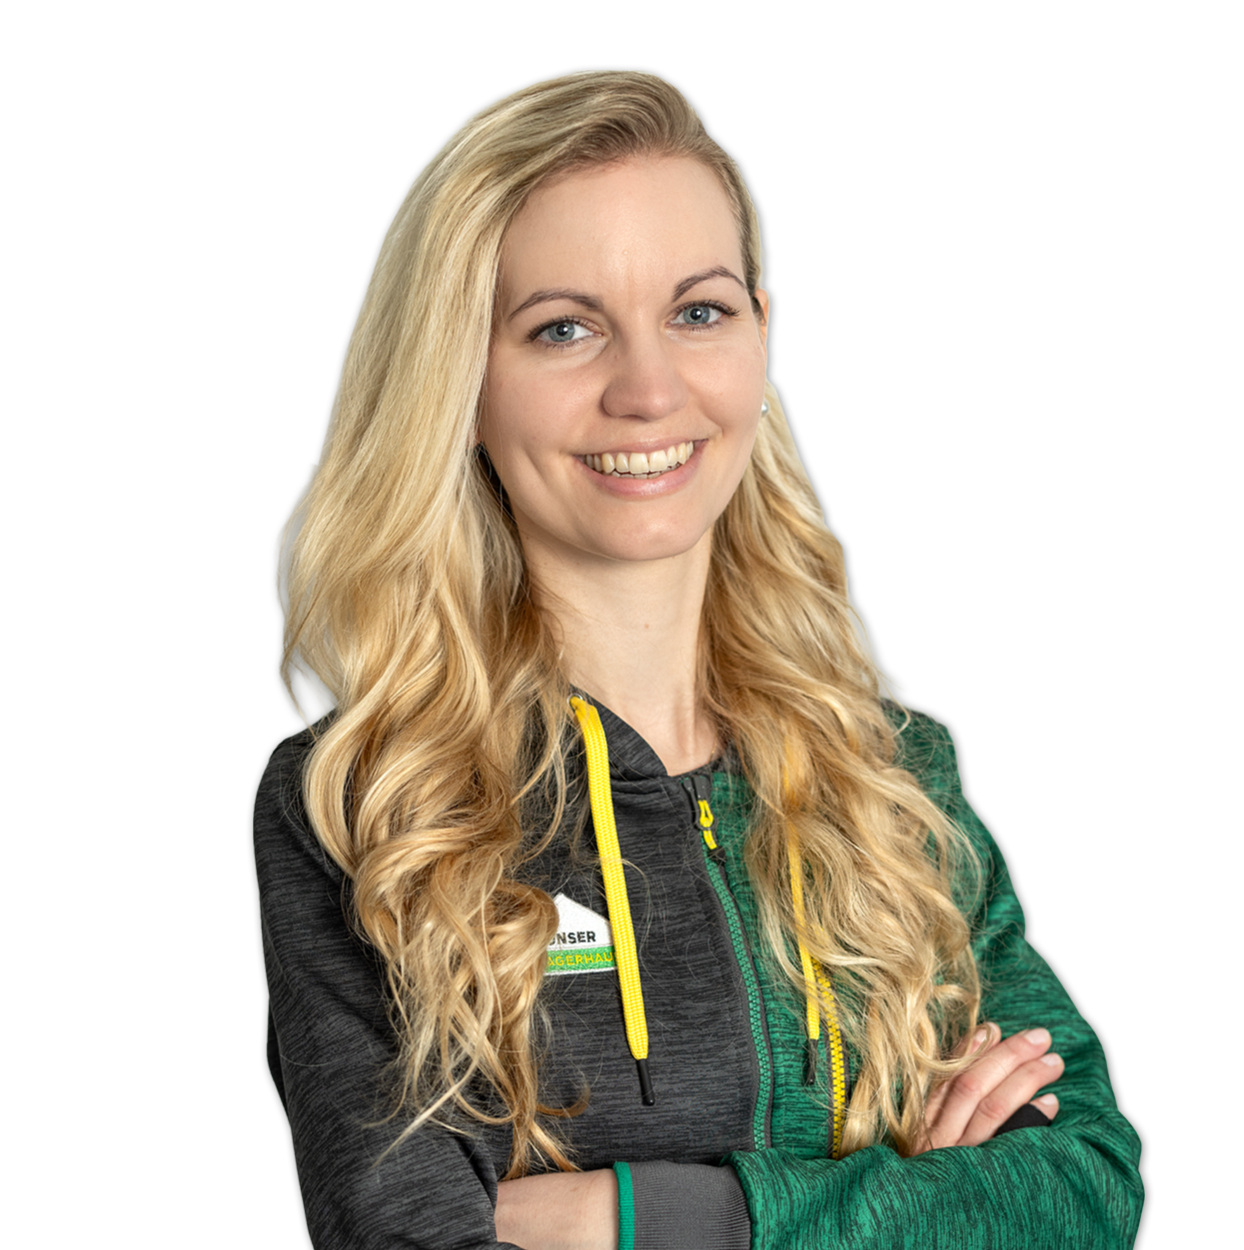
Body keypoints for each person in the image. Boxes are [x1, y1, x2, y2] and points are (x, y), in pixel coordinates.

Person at [256, 71, 1142, 1250]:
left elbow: (1080, 1184)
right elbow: (410, 1235)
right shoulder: (369, 804)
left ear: (759, 334)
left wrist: (640, 1213)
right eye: (563, 328)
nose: (648, 388)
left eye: (698, 312)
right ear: (459, 379)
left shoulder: (890, 780)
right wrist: (911, 1201)